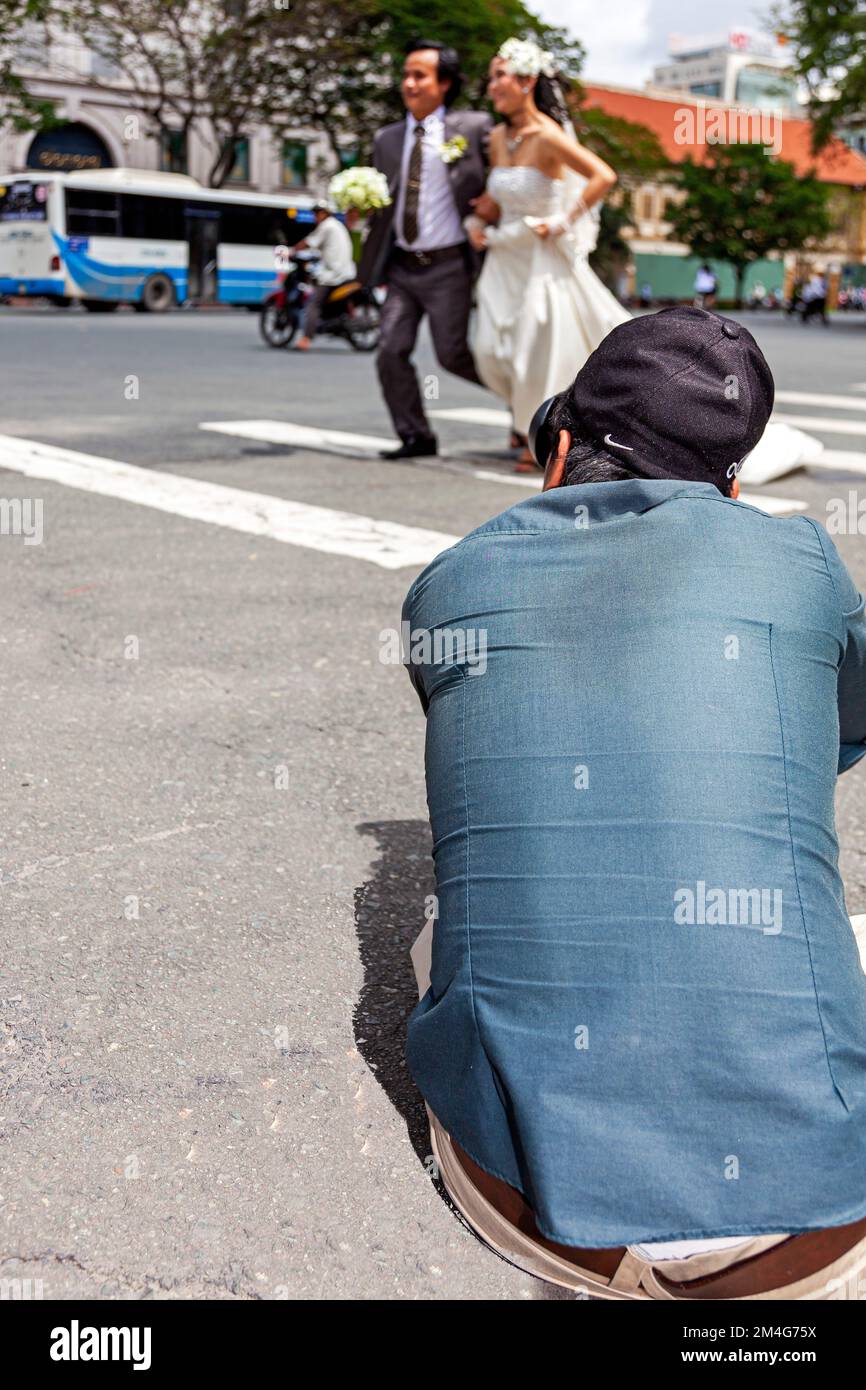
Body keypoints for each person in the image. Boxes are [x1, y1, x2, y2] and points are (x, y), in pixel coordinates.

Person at [400, 306, 866, 1300]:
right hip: (814, 1225)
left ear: (558, 444)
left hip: (534, 1201)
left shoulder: (451, 581)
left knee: (439, 935)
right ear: (730, 484)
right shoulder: (799, 562)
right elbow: (843, 723)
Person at [465, 37, 630, 470]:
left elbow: (602, 176)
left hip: (541, 258)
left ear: (526, 81)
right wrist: (476, 221)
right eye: (492, 76)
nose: (492, 84)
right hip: (505, 256)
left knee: (534, 347)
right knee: (488, 348)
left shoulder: (548, 135)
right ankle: (526, 416)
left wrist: (564, 220)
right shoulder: (499, 136)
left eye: (500, 75)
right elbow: (498, 194)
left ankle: (537, 433)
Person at [358, 39, 493, 460]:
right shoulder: (386, 139)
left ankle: (520, 401)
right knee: (389, 350)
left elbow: (508, 172)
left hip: (449, 265)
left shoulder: (473, 128)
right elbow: (387, 199)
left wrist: (494, 205)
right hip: (401, 265)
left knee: (452, 355)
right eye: (405, 75)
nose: (409, 83)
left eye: (420, 75)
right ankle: (416, 435)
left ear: (445, 83)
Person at [290, 201, 356, 352]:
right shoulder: (337, 226)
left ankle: (305, 339)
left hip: (334, 274)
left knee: (313, 304)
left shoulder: (327, 226)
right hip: (345, 271)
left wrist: (292, 250)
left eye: (317, 214)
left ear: (324, 214)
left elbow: (309, 242)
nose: (315, 217)